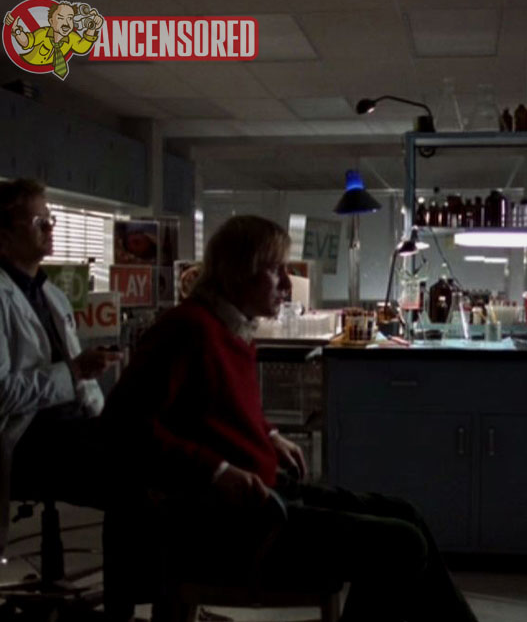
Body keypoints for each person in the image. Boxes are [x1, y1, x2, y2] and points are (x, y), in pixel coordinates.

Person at [102, 215, 478, 622]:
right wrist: (217, 471)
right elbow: (122, 429)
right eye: (275, 269)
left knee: (406, 513)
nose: (287, 283)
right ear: (238, 272)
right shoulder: (187, 329)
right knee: (401, 544)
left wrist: (268, 434)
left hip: (266, 496)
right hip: (233, 524)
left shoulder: (231, 330)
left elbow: (212, 409)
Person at [0, 178, 121, 555]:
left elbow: (78, 379)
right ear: (4, 234)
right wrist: (74, 372)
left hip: (70, 425)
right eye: (40, 223)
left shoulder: (51, 294)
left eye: (50, 220)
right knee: (131, 480)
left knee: (145, 451)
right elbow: (2, 393)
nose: (51, 229)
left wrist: (103, 416)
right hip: (26, 439)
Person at [3, 2, 103, 80]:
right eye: (60, 18)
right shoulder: (43, 33)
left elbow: (82, 47)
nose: (66, 23)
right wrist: (16, 30)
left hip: (44, 76)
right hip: (24, 66)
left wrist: (92, 28)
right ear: (51, 21)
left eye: (70, 19)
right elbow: (27, 42)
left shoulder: (72, 37)